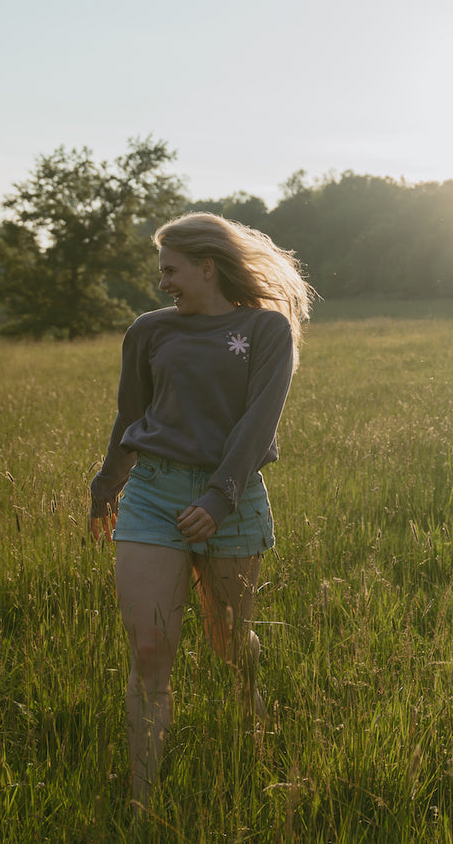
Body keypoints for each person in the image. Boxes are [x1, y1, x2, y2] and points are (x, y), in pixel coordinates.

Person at [88, 212, 313, 807]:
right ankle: (141, 800)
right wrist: (107, 480)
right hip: (153, 495)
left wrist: (219, 497)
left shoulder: (265, 330)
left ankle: (251, 706)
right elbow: (131, 414)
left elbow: (258, 421)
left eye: (171, 270)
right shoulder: (149, 330)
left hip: (230, 498)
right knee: (150, 651)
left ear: (207, 267)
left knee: (228, 636)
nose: (163, 282)